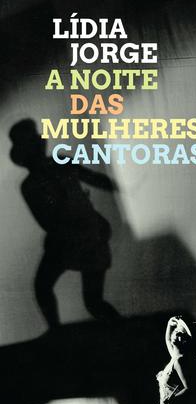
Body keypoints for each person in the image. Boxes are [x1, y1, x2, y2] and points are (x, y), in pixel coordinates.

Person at [9, 119, 120, 328]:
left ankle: (58, 331)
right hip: (84, 235)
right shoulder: (45, 174)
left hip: (80, 236)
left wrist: (123, 187)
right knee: (91, 301)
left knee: (49, 288)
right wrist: (123, 187)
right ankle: (61, 332)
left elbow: (94, 180)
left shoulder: (39, 178)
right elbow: (94, 179)